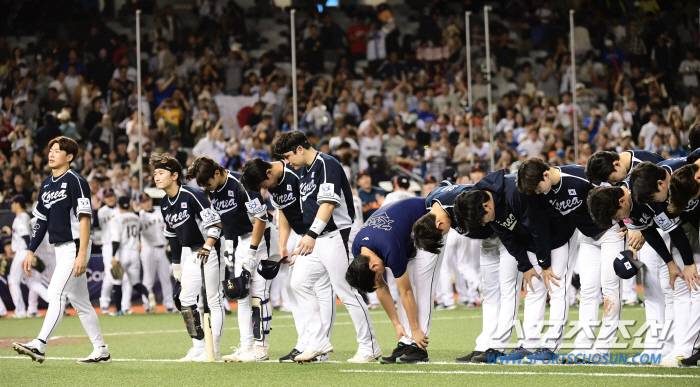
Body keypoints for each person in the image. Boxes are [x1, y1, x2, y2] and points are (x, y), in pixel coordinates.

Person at [272, 131, 381, 363]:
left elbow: (329, 203)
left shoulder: (327, 163)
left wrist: (311, 233)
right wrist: (308, 235)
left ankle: (369, 346)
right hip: (317, 237)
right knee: (298, 283)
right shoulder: (304, 171)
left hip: (335, 234)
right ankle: (318, 342)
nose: (287, 161)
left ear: (300, 149)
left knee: (346, 290)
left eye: (288, 155)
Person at [454, 169, 577, 361]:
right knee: (533, 290)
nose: (484, 224)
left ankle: (551, 346)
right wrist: (525, 266)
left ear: (487, 205)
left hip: (558, 231)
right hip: (530, 237)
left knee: (556, 286)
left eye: (482, 219)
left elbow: (540, 227)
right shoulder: (481, 199)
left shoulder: (515, 192)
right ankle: (528, 345)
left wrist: (545, 264)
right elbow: (507, 236)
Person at [516, 158, 628, 358]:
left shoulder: (580, 177)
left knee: (609, 290)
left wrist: (630, 223)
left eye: (537, 187)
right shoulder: (543, 190)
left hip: (611, 232)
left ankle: (602, 348)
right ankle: (583, 346)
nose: (537, 192)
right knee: (587, 291)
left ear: (545, 174)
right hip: (586, 237)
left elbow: (621, 194)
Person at [13, 136, 110, 364]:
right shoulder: (46, 184)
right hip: (60, 249)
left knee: (57, 294)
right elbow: (40, 222)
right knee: (82, 304)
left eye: (57, 150)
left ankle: (40, 344)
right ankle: (101, 350)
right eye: (51, 150)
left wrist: (82, 253)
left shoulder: (76, 181)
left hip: (75, 246)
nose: (51, 153)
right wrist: (30, 251)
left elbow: (85, 219)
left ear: (69, 157)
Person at [186, 156, 280, 362]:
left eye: (208, 183)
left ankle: (260, 348)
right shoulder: (213, 191)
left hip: (262, 238)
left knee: (258, 292)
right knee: (240, 293)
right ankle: (246, 346)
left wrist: (253, 252)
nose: (207, 188)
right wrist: (229, 247)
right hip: (240, 241)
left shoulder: (242, 184)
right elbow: (225, 220)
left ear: (217, 173)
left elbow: (261, 218)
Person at [241, 157, 335, 363]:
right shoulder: (275, 183)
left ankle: (322, 346)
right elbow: (282, 211)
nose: (264, 189)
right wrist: (282, 244)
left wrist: (312, 234)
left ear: (268, 173)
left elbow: (318, 205)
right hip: (302, 236)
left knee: (321, 289)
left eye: (263, 185)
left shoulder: (295, 175)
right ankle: (305, 342)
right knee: (294, 288)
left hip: (321, 232)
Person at [151, 153, 225, 362]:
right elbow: (172, 236)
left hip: (210, 249)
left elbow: (215, 225)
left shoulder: (192, 195)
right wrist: (176, 265)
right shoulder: (164, 202)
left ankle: (214, 349)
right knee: (185, 299)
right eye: (155, 173)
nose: (156, 177)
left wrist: (207, 248)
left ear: (175, 175)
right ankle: (199, 347)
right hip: (191, 253)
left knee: (213, 299)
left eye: (161, 173)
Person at [346, 197, 438, 364]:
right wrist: (397, 324)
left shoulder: (389, 249)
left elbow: (407, 292)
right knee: (401, 286)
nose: (379, 280)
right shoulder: (359, 250)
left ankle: (420, 347)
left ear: (373, 266)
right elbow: (380, 287)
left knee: (422, 284)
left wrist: (416, 328)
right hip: (406, 233)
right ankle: (407, 341)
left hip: (431, 219)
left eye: (376, 276)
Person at [3, 194, 48, 318]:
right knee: (32, 283)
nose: (12, 205)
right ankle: (53, 299)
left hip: (23, 251)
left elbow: (26, 236)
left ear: (17, 204)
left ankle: (20, 312)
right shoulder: (25, 217)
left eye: (13, 203)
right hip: (26, 251)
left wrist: (30, 252)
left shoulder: (20, 218)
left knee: (13, 281)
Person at [108, 196, 150, 315]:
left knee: (117, 282)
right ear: (130, 205)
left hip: (123, 252)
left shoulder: (116, 220)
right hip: (135, 252)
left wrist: (112, 256)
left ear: (118, 205)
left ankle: (119, 310)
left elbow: (116, 240)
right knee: (135, 282)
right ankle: (148, 295)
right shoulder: (136, 218)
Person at [137, 192, 175, 313]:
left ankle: (169, 304)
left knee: (166, 278)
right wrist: (136, 211)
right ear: (140, 204)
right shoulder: (139, 215)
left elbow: (170, 225)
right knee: (148, 279)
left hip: (163, 248)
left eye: (147, 200)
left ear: (151, 200)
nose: (146, 203)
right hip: (148, 249)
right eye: (143, 202)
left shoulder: (161, 210)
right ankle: (148, 305)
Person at [97, 188, 120, 314]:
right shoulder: (101, 211)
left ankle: (120, 304)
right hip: (107, 245)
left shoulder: (120, 209)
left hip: (120, 246)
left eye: (112, 195)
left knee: (118, 275)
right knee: (110, 274)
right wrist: (95, 210)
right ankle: (104, 303)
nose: (110, 198)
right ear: (104, 199)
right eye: (107, 196)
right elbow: (95, 225)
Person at [584, 150, 665, 185]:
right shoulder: (612, 168)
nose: (614, 183)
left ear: (616, 164)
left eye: (613, 179)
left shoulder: (650, 162)